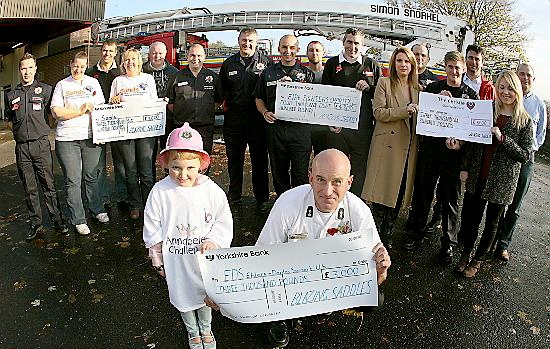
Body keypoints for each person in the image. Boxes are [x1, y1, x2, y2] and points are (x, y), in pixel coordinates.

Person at [251, 149, 390, 347]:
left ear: (349, 183)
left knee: (374, 297)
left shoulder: (359, 211)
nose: (327, 191)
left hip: (333, 279)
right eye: (321, 180)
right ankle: (279, 319)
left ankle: (326, 303)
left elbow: (377, 277)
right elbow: (261, 255)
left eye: (337, 182)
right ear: (310, 178)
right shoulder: (287, 203)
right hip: (291, 279)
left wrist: (381, 270)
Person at [143, 122, 233, 349]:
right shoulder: (160, 191)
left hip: (202, 260)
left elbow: (223, 219)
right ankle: (192, 331)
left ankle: (206, 327)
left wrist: (215, 240)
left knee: (203, 294)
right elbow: (152, 226)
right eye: (176, 168)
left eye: (189, 168)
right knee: (183, 296)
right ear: (167, 164)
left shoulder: (211, 190)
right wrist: (157, 260)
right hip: (177, 260)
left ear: (201, 165)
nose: (183, 174)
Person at [456, 71, 533, 277]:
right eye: (501, 87)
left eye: (510, 88)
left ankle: (478, 260)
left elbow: (525, 155)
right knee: (472, 219)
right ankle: (466, 254)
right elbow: (471, 142)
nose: (505, 92)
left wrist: (503, 139)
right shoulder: (487, 110)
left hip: (502, 181)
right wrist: (465, 167)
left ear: (517, 91)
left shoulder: (525, 121)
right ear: (496, 88)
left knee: (492, 223)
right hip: (479, 173)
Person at [404, 51, 478, 263]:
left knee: (450, 201)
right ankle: (415, 234)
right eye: (450, 67)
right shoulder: (433, 89)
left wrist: (460, 144)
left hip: (454, 157)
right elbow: (423, 121)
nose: (454, 71)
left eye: (458, 68)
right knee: (423, 196)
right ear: (444, 68)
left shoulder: (470, 96)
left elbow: (471, 129)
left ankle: (448, 245)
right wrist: (437, 102)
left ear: (464, 69)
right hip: (431, 152)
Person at [4, 53, 68, 240]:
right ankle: (36, 223)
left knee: (48, 184)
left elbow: (54, 113)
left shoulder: (46, 91)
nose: (27, 72)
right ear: (19, 70)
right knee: (29, 188)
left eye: (30, 67)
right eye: (23, 68)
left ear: (35, 69)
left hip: (41, 145)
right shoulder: (11, 95)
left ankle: (57, 220)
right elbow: (9, 120)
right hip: (22, 147)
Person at [362, 47, 420, 250]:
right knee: (380, 199)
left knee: (396, 197)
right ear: (393, 64)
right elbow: (379, 112)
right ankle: (373, 241)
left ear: (412, 65)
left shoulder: (418, 89)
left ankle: (387, 238)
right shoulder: (384, 83)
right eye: (399, 61)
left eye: (407, 61)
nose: (403, 65)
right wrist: (405, 111)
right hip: (387, 149)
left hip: (407, 150)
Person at [493, 63, 547, 261]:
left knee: (514, 205)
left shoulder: (539, 104)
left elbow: (541, 133)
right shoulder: (505, 97)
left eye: (528, 75)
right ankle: (492, 239)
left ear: (533, 79)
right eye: (521, 74)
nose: (524, 78)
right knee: (499, 201)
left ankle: (503, 244)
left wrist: (531, 148)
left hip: (525, 159)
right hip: (504, 157)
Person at [50, 51, 108, 235]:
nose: (79, 69)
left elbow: (100, 108)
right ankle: (79, 219)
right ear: (70, 64)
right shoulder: (62, 85)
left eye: (82, 66)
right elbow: (57, 113)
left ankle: (97, 209)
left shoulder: (93, 83)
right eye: (76, 66)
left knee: (92, 176)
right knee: (73, 179)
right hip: (67, 139)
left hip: (90, 136)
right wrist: (81, 111)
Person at [321, 28, 381, 196]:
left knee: (359, 169)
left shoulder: (372, 65)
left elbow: (382, 95)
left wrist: (369, 88)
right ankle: (334, 199)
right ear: (343, 42)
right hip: (337, 129)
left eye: (356, 43)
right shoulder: (332, 64)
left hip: (362, 129)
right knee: (335, 167)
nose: (352, 46)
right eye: (349, 42)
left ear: (362, 45)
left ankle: (354, 203)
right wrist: (331, 123)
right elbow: (325, 95)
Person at [254, 34, 314, 197]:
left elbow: (315, 103)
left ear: (298, 50)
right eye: (284, 47)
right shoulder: (268, 73)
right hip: (276, 131)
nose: (288, 51)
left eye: (292, 47)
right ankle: (282, 206)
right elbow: (258, 98)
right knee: (279, 173)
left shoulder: (307, 75)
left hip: (300, 132)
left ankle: (300, 207)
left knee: (300, 174)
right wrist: (265, 112)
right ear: (279, 49)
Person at [219, 27, 271, 213]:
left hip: (258, 120)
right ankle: (234, 195)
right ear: (238, 40)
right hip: (234, 119)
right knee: (234, 160)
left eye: (250, 41)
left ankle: (262, 198)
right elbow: (221, 91)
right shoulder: (228, 64)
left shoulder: (266, 63)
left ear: (256, 43)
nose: (246, 44)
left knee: (259, 161)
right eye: (243, 40)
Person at [109, 48, 158, 220]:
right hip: (125, 132)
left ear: (140, 61)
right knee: (130, 170)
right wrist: (113, 101)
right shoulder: (118, 81)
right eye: (127, 59)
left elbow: (154, 104)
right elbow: (111, 107)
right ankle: (135, 205)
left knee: (145, 171)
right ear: (123, 63)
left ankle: (150, 205)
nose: (130, 62)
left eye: (134, 59)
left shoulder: (148, 79)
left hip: (146, 132)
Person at [86, 39, 127, 207]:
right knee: (99, 164)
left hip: (116, 124)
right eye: (104, 50)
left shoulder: (120, 73)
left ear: (115, 53)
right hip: (97, 124)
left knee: (120, 163)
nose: (107, 54)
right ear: (100, 51)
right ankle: (103, 198)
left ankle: (122, 196)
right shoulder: (90, 72)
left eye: (111, 51)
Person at [166, 43, 223, 156]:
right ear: (187, 56)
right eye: (192, 55)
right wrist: (182, 113)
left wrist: (205, 111)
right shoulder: (177, 77)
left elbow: (219, 99)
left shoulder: (213, 78)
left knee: (203, 161)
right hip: (182, 128)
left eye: (199, 55)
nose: (195, 59)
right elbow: (170, 102)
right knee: (183, 160)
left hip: (205, 128)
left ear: (204, 57)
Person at [142, 41, 179, 179]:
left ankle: (167, 179)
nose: (157, 56)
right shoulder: (141, 71)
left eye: (160, 53)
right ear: (149, 54)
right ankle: (148, 182)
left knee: (167, 151)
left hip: (168, 119)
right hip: (147, 120)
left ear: (166, 54)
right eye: (154, 53)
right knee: (147, 154)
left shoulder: (174, 72)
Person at [306, 40, 329, 155]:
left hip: (324, 129)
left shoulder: (330, 74)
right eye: (311, 50)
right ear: (306, 53)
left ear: (323, 53)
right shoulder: (299, 74)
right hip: (305, 129)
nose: (314, 53)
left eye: (317, 50)